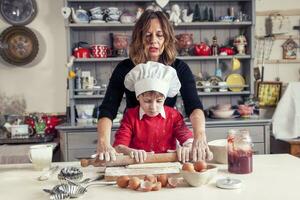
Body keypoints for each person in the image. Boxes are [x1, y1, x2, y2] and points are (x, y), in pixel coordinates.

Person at [97, 9, 212, 162]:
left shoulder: (180, 68)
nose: (153, 40)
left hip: (166, 143)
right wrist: (103, 142)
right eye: (147, 35)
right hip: (134, 147)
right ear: (139, 38)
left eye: (159, 35)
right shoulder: (124, 68)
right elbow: (108, 109)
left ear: (167, 38)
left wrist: (199, 137)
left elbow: (194, 106)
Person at [113, 61, 194, 163]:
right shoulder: (130, 116)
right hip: (139, 166)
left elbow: (187, 137)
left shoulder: (173, 115)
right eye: (147, 101)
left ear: (164, 98)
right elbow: (119, 147)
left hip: (168, 165)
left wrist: (188, 146)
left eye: (159, 101)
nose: (153, 107)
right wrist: (130, 151)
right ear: (138, 97)